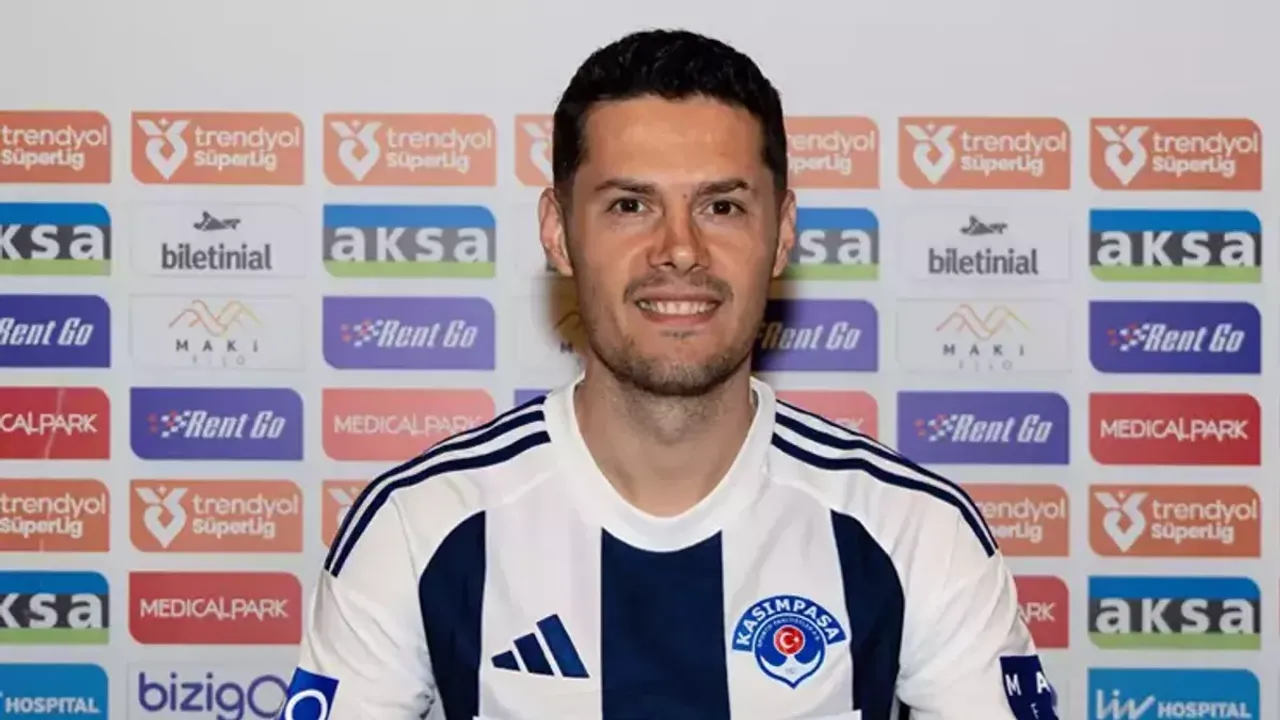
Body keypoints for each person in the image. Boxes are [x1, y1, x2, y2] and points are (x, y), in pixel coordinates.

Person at [278, 28, 1057, 720]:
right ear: (558, 232)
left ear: (783, 232)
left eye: (722, 207)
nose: (680, 249)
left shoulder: (911, 529)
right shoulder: (420, 526)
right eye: (630, 206)